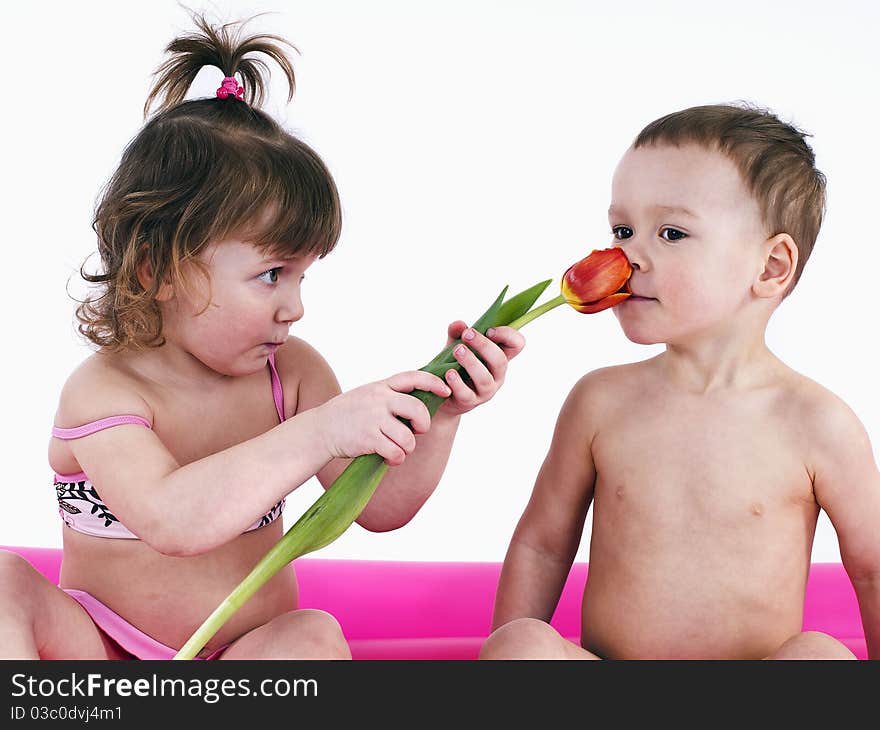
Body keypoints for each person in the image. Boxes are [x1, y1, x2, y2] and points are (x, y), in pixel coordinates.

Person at [0, 14, 524, 660]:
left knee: (315, 636)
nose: (295, 307)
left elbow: (379, 505)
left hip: (241, 665)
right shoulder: (104, 391)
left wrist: (442, 420)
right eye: (272, 274)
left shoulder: (293, 377)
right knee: (3, 582)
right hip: (101, 662)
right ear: (157, 268)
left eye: (302, 276)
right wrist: (322, 430)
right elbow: (172, 518)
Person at [481, 103, 880, 660]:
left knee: (820, 656)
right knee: (523, 646)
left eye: (671, 232)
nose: (627, 254)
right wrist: (505, 650)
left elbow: (872, 568)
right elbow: (543, 546)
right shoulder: (600, 401)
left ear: (769, 268)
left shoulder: (817, 422)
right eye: (622, 228)